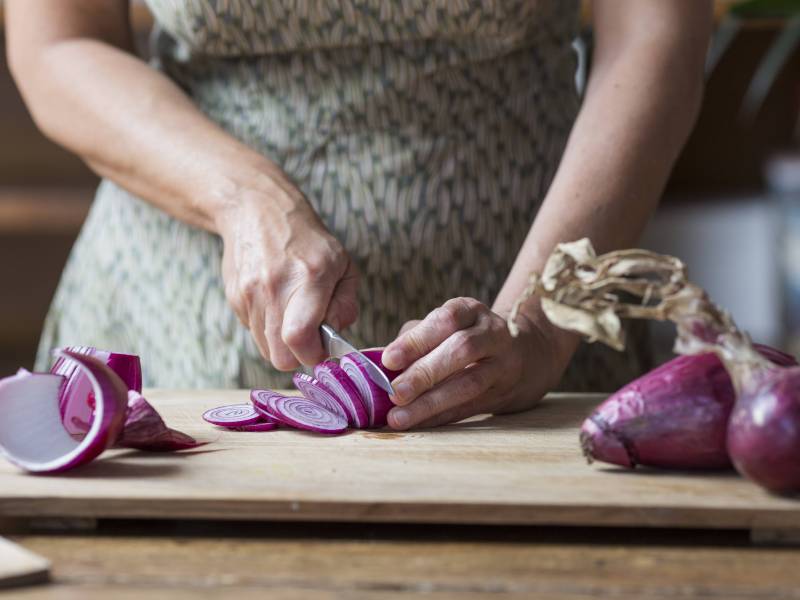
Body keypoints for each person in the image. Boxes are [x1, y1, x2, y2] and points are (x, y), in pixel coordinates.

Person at [7, 1, 712, 430]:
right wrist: (243, 197)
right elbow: (58, 44)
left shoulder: (542, 324)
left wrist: (537, 323)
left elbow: (658, 37)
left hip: (540, 294)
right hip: (175, 320)